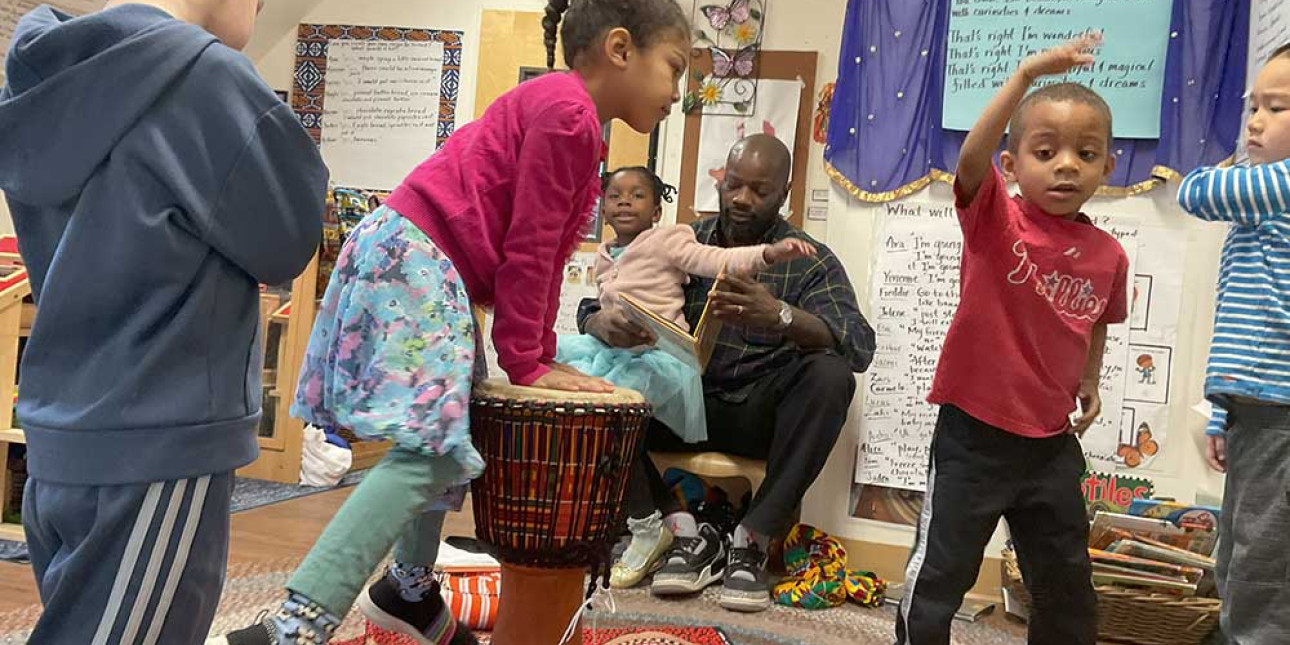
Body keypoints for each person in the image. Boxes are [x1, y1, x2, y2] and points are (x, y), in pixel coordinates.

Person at [211, 1, 692, 644]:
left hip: (428, 263)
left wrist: (540, 356)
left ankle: (408, 587)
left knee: (441, 440)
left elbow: (546, 254)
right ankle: (297, 625)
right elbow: (530, 247)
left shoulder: (575, 118)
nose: (678, 92)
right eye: (675, 67)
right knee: (432, 452)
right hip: (416, 257)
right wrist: (526, 362)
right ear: (620, 47)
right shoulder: (568, 112)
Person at [0, 1, 328, 643]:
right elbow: (289, 238)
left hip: (62, 422)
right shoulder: (207, 79)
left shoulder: (45, 62)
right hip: (159, 432)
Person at [895, 34, 1129, 645]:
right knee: (942, 572)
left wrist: (1090, 380)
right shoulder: (996, 219)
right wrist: (1023, 75)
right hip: (973, 438)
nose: (1066, 165)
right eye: (1046, 151)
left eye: (1086, 152)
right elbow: (969, 161)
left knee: (1066, 581)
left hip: (1050, 443)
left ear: (1109, 165)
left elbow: (1097, 318)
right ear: (1012, 165)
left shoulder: (1109, 254)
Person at [579, 134, 875, 612]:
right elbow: (598, 300)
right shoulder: (678, 239)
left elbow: (858, 344)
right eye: (734, 184)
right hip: (679, 403)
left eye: (760, 190)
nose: (742, 198)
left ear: (785, 191)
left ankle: (752, 538)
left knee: (830, 374)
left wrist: (780, 315)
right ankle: (672, 526)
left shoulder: (806, 258)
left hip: (760, 415)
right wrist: (599, 323)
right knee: (596, 386)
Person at [558, 165, 815, 447]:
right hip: (614, 352)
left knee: (614, 408)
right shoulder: (604, 255)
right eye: (615, 196)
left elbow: (716, 260)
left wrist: (767, 253)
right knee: (562, 380)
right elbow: (599, 306)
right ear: (603, 212)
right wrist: (598, 322)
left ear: (656, 212)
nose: (625, 201)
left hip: (660, 359)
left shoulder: (668, 240)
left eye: (637, 195)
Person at [1176, 41, 1290, 645]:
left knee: (1262, 571)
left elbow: (1195, 192)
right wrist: (1223, 409)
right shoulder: (1268, 192)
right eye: (1254, 106)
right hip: (1257, 407)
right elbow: (1251, 323)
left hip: (1280, 414)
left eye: (1277, 108)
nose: (1254, 121)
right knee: (1241, 554)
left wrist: (1236, 161)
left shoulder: (1280, 183)